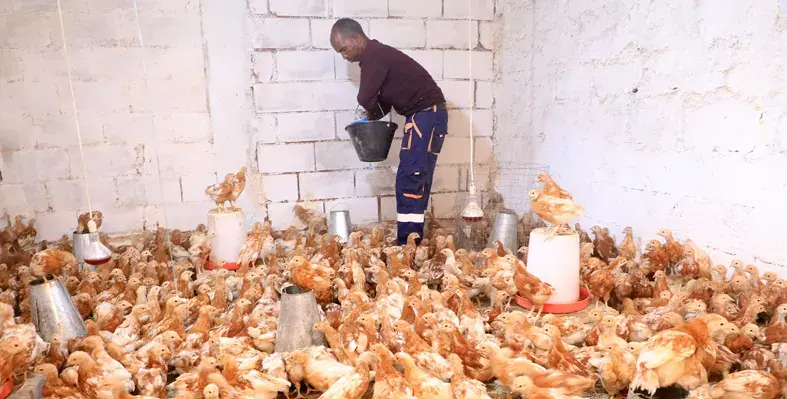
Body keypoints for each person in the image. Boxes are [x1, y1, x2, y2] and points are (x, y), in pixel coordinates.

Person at [330, 18, 448, 245]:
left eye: (343, 49)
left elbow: (365, 97)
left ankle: (407, 244)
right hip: (429, 116)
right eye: (339, 53)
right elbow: (382, 103)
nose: (343, 56)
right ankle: (413, 241)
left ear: (356, 38)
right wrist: (369, 116)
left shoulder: (374, 56)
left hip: (424, 116)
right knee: (416, 178)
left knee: (410, 179)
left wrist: (368, 109)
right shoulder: (378, 57)